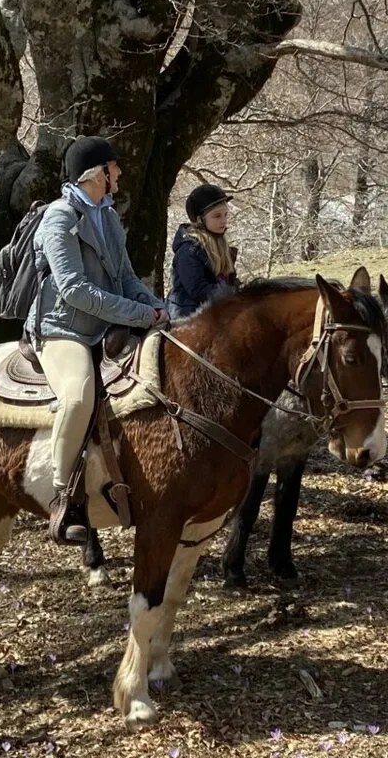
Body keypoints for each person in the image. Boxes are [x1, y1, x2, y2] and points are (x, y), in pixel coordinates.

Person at [30, 137, 170, 544]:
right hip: (62, 330)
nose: (120, 173)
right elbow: (74, 290)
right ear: (96, 175)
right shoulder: (58, 219)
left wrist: (158, 308)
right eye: (114, 167)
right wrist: (141, 315)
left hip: (105, 325)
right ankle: (64, 499)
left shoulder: (108, 216)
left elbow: (125, 278)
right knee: (77, 396)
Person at [169, 183, 241, 318]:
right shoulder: (188, 250)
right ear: (199, 219)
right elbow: (199, 290)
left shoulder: (222, 246)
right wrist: (234, 294)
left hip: (217, 310)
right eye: (217, 216)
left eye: (225, 215)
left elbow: (230, 281)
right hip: (188, 316)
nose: (224, 221)